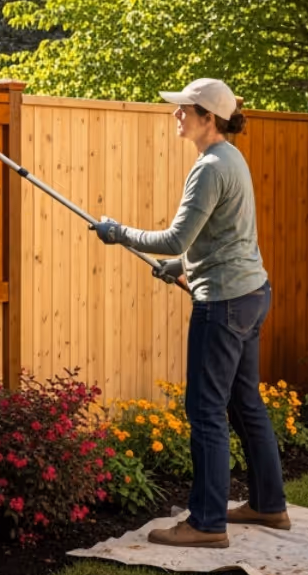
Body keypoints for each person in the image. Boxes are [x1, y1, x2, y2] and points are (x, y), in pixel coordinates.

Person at [92, 78, 288, 549]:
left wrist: (119, 231)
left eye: (186, 108)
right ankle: (268, 504)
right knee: (245, 404)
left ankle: (205, 523)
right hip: (251, 294)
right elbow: (218, 237)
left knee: (205, 411)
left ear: (209, 117)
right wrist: (180, 268)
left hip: (222, 303)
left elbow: (178, 237)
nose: (176, 114)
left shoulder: (209, 167)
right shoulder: (230, 159)